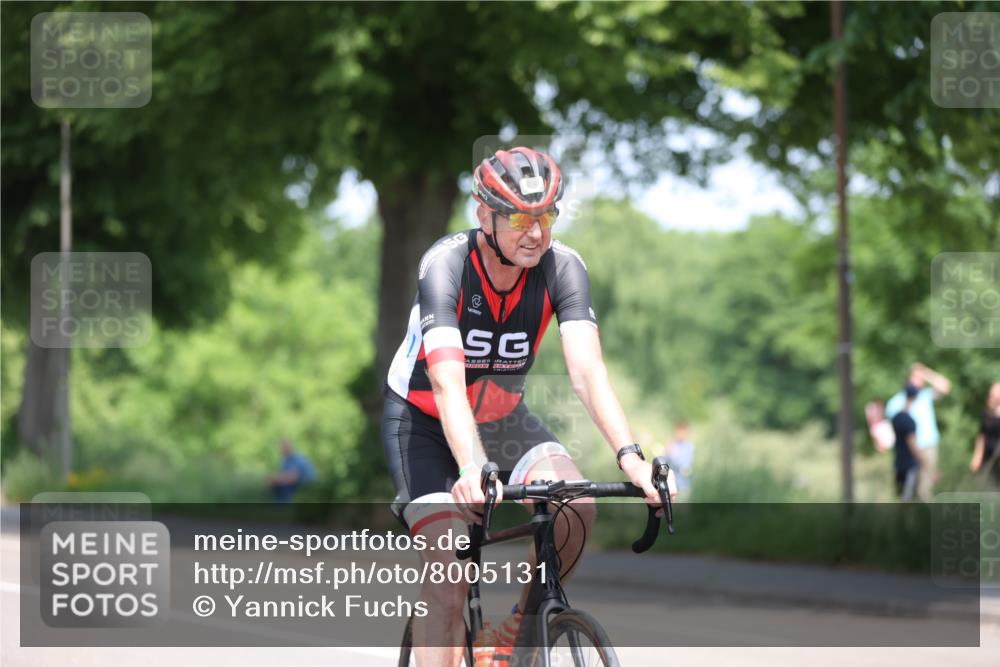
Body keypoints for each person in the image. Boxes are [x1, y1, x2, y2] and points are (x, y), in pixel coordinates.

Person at [381, 146, 676, 667]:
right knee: (450, 574)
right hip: (423, 421)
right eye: (519, 217)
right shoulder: (446, 264)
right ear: (484, 215)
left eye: (546, 216)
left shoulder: (562, 267)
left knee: (575, 510)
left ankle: (515, 631)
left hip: (501, 419)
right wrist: (470, 467)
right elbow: (447, 384)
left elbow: (587, 373)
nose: (535, 232)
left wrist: (631, 457)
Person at [885, 362, 951, 502]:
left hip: (927, 446)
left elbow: (945, 386)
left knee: (923, 490)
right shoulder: (896, 403)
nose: (919, 381)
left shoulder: (926, 396)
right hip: (908, 451)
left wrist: (925, 372)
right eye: (916, 377)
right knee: (907, 492)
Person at [891, 385, 920, 501]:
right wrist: (922, 461)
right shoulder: (910, 421)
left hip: (898, 462)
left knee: (899, 496)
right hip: (910, 464)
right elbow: (912, 444)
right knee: (907, 499)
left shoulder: (896, 418)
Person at [267, 438, 317, 503]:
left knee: (283, 488)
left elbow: (293, 477)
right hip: (295, 485)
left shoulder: (298, 458)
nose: (281, 450)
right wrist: (273, 480)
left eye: (283, 448)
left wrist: (276, 479)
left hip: (306, 485)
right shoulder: (285, 461)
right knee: (276, 487)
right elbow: (284, 475)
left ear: (289, 447)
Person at [970, 382, 1000, 485]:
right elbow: (982, 436)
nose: (991, 396)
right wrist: (977, 456)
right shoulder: (986, 414)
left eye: (994, 394)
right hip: (987, 458)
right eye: (990, 394)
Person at [665, 420, 695, 499]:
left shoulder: (689, 447)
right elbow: (666, 463)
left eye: (682, 431)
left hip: (683, 484)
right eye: (678, 431)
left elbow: (686, 466)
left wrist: (673, 456)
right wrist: (668, 453)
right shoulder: (672, 445)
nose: (680, 434)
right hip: (671, 482)